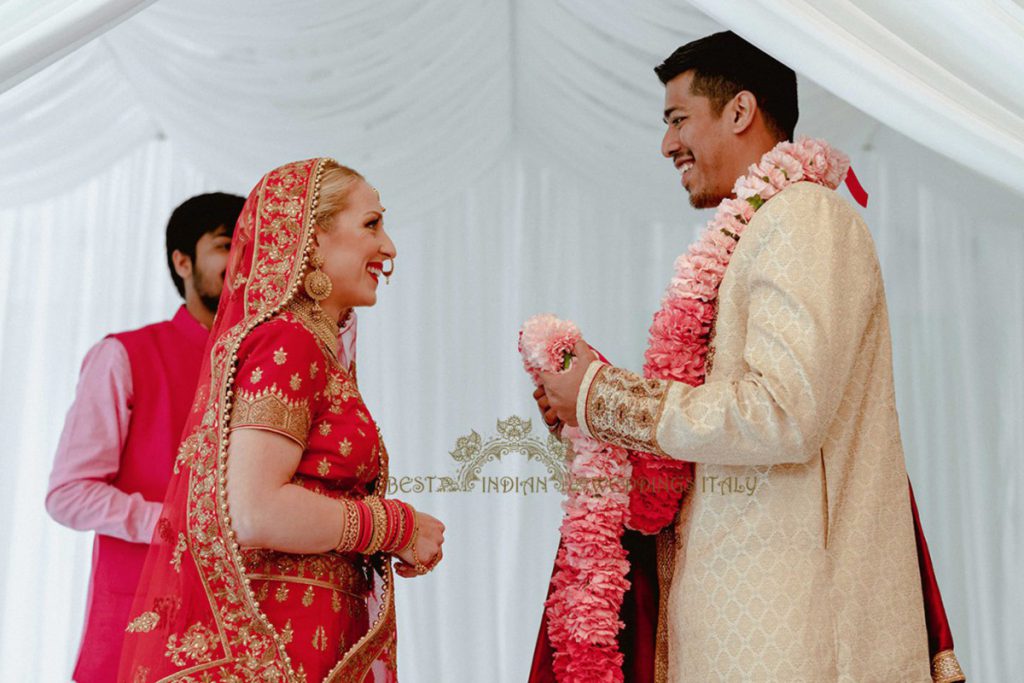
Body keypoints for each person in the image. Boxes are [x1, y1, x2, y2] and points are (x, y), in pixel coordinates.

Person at [531, 32, 964, 682]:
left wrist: (604, 397)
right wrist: (589, 414)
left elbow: (783, 411)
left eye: (678, 118)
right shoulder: (757, 234)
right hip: (740, 630)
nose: (667, 144)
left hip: (801, 640)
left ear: (739, 111)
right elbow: (713, 438)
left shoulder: (805, 217)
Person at [117, 158, 445, 682]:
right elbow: (256, 511)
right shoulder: (290, 340)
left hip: (308, 640)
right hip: (279, 649)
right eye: (371, 224)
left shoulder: (312, 345)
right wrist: (394, 524)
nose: (389, 247)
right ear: (311, 239)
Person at [46, 192, 245, 682]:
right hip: (141, 621)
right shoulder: (123, 356)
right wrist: (176, 524)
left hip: (245, 628)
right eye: (226, 244)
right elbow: (68, 494)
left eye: (253, 245)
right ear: (183, 261)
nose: (243, 261)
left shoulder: (268, 368)